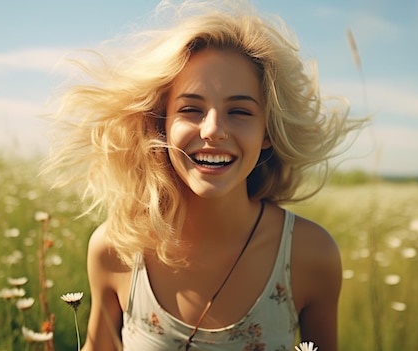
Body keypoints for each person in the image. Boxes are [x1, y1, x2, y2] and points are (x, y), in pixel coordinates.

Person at [45, 1, 365, 350]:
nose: (213, 130)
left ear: (268, 131)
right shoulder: (117, 248)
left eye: (240, 111)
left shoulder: (310, 254)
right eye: (191, 109)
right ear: (160, 124)